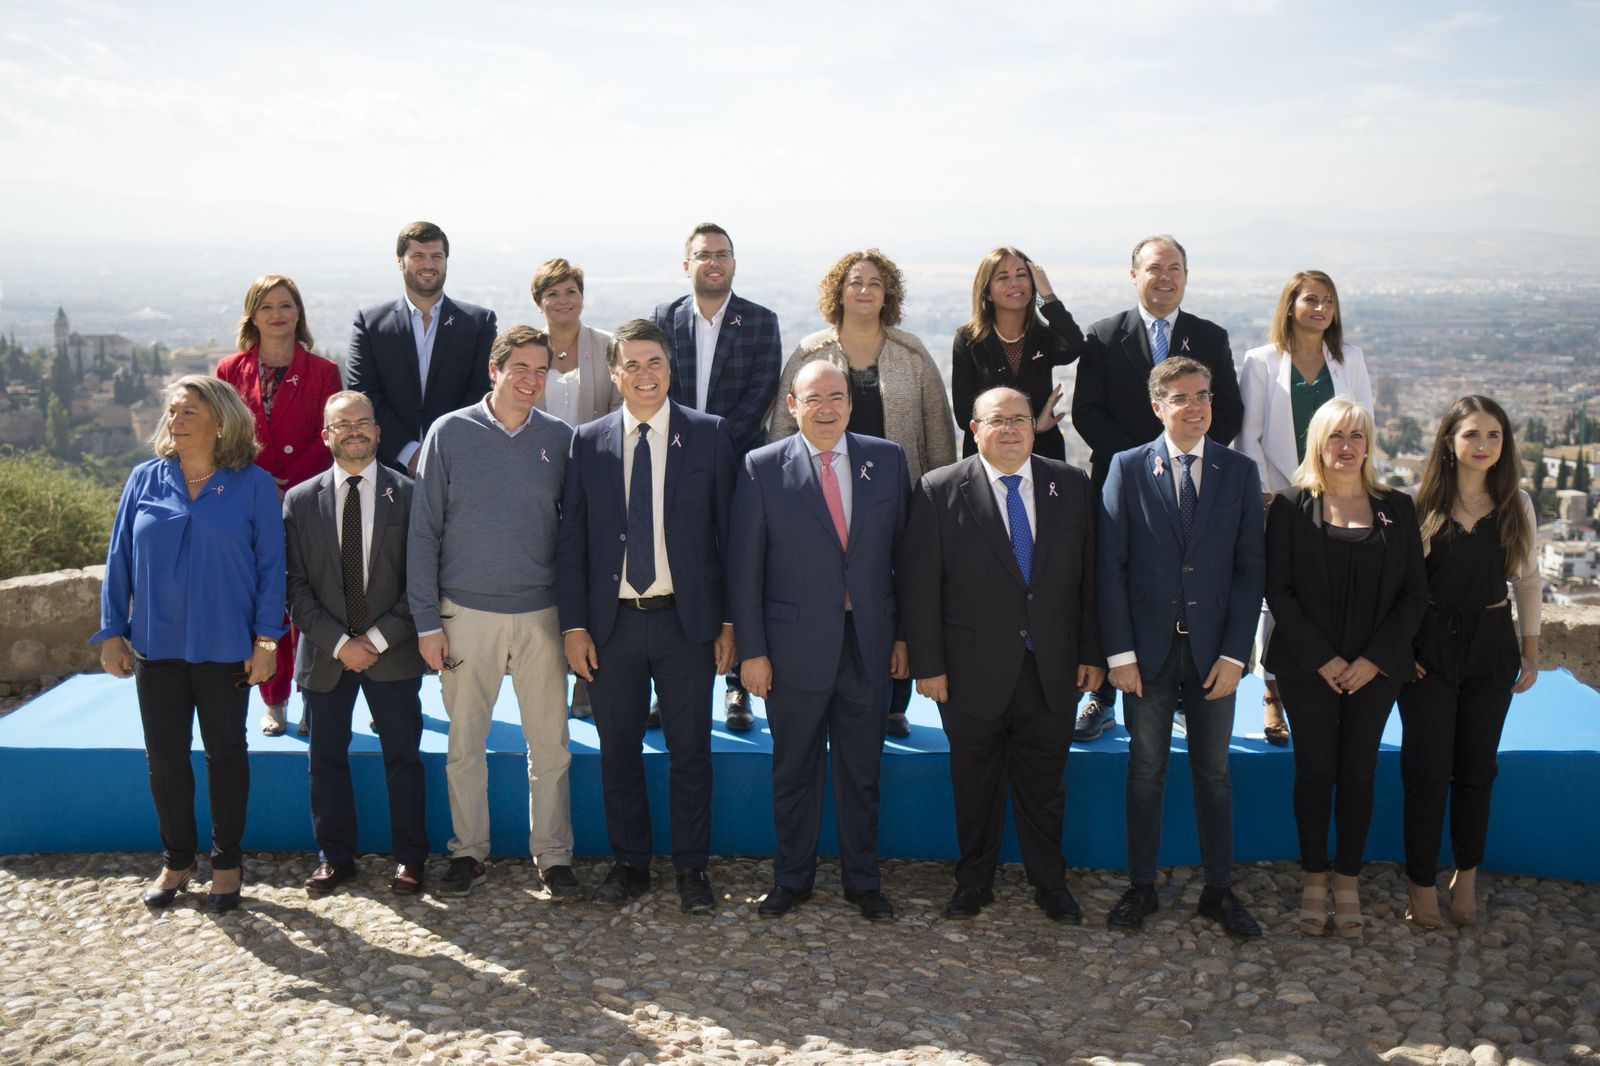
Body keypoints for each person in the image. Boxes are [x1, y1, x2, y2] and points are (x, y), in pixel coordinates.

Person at [900, 386, 1103, 923]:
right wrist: (930, 666)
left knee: (1045, 786)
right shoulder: (939, 489)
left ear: (1034, 427)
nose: (1010, 428)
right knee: (974, 785)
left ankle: (1050, 884)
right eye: (997, 420)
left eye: (1019, 418)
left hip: (1051, 665)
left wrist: (1091, 654)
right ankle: (973, 883)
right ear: (974, 428)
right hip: (968, 673)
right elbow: (920, 588)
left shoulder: (1071, 483)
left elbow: (1090, 580)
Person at [556, 319, 736, 912]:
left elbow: (728, 538)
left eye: (653, 362)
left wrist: (729, 623)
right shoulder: (589, 441)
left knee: (691, 752)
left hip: (688, 624)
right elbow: (573, 539)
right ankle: (630, 865)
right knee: (618, 752)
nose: (644, 375)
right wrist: (575, 625)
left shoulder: (709, 436)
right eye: (630, 364)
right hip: (613, 627)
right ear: (614, 373)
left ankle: (692, 870)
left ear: (670, 366)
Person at [93, 376, 286, 912]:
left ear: (220, 421)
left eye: (189, 412)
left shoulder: (252, 484)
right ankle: (178, 859)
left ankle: (227, 863)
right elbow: (119, 561)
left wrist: (267, 638)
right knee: (166, 758)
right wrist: (112, 630)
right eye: (172, 412)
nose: (175, 421)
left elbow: (274, 569)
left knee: (226, 756)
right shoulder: (144, 479)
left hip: (226, 646)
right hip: (157, 645)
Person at [729, 360, 910, 921]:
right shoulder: (761, 467)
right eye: (813, 399)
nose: (826, 408)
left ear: (851, 404)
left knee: (863, 772)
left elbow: (907, 558)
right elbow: (744, 570)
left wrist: (904, 637)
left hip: (869, 642)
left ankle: (863, 882)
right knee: (794, 769)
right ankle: (792, 879)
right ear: (792, 406)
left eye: (836, 397)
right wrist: (751, 654)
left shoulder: (887, 459)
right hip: (791, 649)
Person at [407, 325, 577, 899]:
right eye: (520, 369)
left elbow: (573, 533)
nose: (531, 381)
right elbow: (423, 530)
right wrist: (427, 622)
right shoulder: (450, 432)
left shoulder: (560, 437)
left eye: (540, 371)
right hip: (464, 616)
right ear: (494, 370)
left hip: (541, 616)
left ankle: (553, 857)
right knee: (465, 744)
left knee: (550, 745)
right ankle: (468, 853)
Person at [1098, 357, 1264, 938]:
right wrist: (1119, 655)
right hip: (1146, 656)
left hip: (1216, 655)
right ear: (1157, 407)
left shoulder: (1238, 471)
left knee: (1213, 774)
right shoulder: (1126, 468)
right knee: (1144, 771)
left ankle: (1219, 891)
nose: (1195, 406)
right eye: (1181, 397)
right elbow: (1110, 566)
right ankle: (1140, 887)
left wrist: (1236, 655)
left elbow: (1250, 571)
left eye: (1203, 395)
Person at [770, 249, 956, 737]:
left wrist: (939, 498)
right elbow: (781, 431)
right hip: (823, 496)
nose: (866, 290)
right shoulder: (810, 353)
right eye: (855, 282)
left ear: (888, 293)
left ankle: (892, 700)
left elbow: (938, 430)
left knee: (894, 589)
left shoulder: (912, 353)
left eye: (876, 283)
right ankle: (825, 688)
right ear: (839, 291)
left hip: (899, 495)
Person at [1072, 234, 1245, 744]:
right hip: (1121, 487)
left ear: (1186, 277)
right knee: (1114, 582)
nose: (1164, 277)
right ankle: (1101, 695)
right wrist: (1147, 461)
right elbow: (1087, 413)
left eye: (1174, 268)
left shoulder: (1209, 336)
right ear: (1134, 276)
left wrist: (1183, 453)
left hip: (1195, 484)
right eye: (1153, 268)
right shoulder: (1104, 335)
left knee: (1183, 583)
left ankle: (1185, 692)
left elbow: (1229, 411)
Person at [1263, 398, 1426, 936]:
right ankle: (1314, 878)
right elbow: (1278, 591)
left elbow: (1413, 594)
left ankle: (1348, 880)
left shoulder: (1397, 507)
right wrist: (1324, 659)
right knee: (1314, 772)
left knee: (1358, 772)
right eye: (1337, 436)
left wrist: (1373, 661)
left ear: (1369, 444)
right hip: (1307, 667)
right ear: (1318, 442)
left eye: (1358, 436)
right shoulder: (1290, 505)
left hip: (1375, 671)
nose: (1348, 446)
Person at [1398, 395, 1540, 928]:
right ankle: (1419, 885)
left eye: (1494, 436)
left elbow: (1527, 581)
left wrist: (1529, 651)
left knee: (1478, 769)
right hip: (1427, 650)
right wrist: (1402, 651)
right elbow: (1402, 588)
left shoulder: (1516, 505)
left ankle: (1466, 878)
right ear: (1449, 442)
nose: (1483, 446)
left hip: (1491, 645)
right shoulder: (1419, 504)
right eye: (1472, 435)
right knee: (1426, 770)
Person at [283, 391, 430, 896]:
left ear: (378, 431)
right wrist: (340, 643)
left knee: (403, 758)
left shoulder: (411, 495)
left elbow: (422, 583)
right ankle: (334, 857)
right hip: (326, 655)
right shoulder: (300, 501)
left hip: (393, 653)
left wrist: (373, 639)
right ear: (325, 435)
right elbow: (294, 587)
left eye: (363, 422)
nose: (354, 431)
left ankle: (410, 858)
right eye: (342, 424)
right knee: (324, 759)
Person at [651, 222, 783, 733]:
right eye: (703, 254)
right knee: (679, 567)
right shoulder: (664, 318)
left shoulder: (760, 320)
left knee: (736, 570)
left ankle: (736, 692)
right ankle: (674, 690)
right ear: (687, 264)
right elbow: (656, 386)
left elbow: (761, 390)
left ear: (733, 263)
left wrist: (715, 445)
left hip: (735, 465)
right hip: (672, 462)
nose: (714, 261)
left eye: (722, 254)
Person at [1240, 270, 1375, 746]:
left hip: (1336, 492)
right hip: (1280, 494)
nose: (1320, 309)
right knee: (1275, 595)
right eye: (1310, 300)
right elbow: (1249, 435)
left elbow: (1364, 425)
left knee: (1327, 590)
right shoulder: (1260, 361)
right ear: (1290, 306)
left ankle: (1325, 681)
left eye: (1329, 302)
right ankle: (1272, 693)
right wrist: (1265, 496)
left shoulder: (1349, 359)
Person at [216, 274, 342, 737]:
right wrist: (261, 479)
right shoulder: (230, 370)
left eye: (286, 305)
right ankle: (274, 697)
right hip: (251, 500)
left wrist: (291, 483)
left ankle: (314, 698)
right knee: (266, 602)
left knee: (311, 603)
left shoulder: (324, 371)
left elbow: (328, 435)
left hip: (308, 501)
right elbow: (224, 433)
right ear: (252, 314)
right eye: (266, 306)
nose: (277, 314)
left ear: (298, 314)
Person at [531, 256, 621, 720]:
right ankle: (546, 684)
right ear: (538, 301)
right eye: (553, 293)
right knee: (546, 581)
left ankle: (587, 689)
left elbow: (619, 414)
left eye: (571, 291)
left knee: (590, 579)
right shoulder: (526, 349)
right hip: (536, 482)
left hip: (596, 480)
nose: (563, 300)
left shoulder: (608, 347)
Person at [347, 221, 498, 474]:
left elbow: (481, 393)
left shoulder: (478, 323)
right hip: (386, 468)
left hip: (458, 466)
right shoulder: (370, 323)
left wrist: (440, 452)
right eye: (418, 256)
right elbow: (364, 394)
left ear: (446, 261)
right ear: (399, 261)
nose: (428, 265)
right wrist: (410, 454)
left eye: (436, 256)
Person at [950, 247, 1085, 461]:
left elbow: (1075, 345)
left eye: (1022, 275)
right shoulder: (969, 340)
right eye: (1003, 277)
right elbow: (964, 414)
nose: (1015, 283)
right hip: (987, 457)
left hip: (1042, 454)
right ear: (987, 291)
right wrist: (1030, 426)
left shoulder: (1043, 337)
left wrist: (1047, 295)